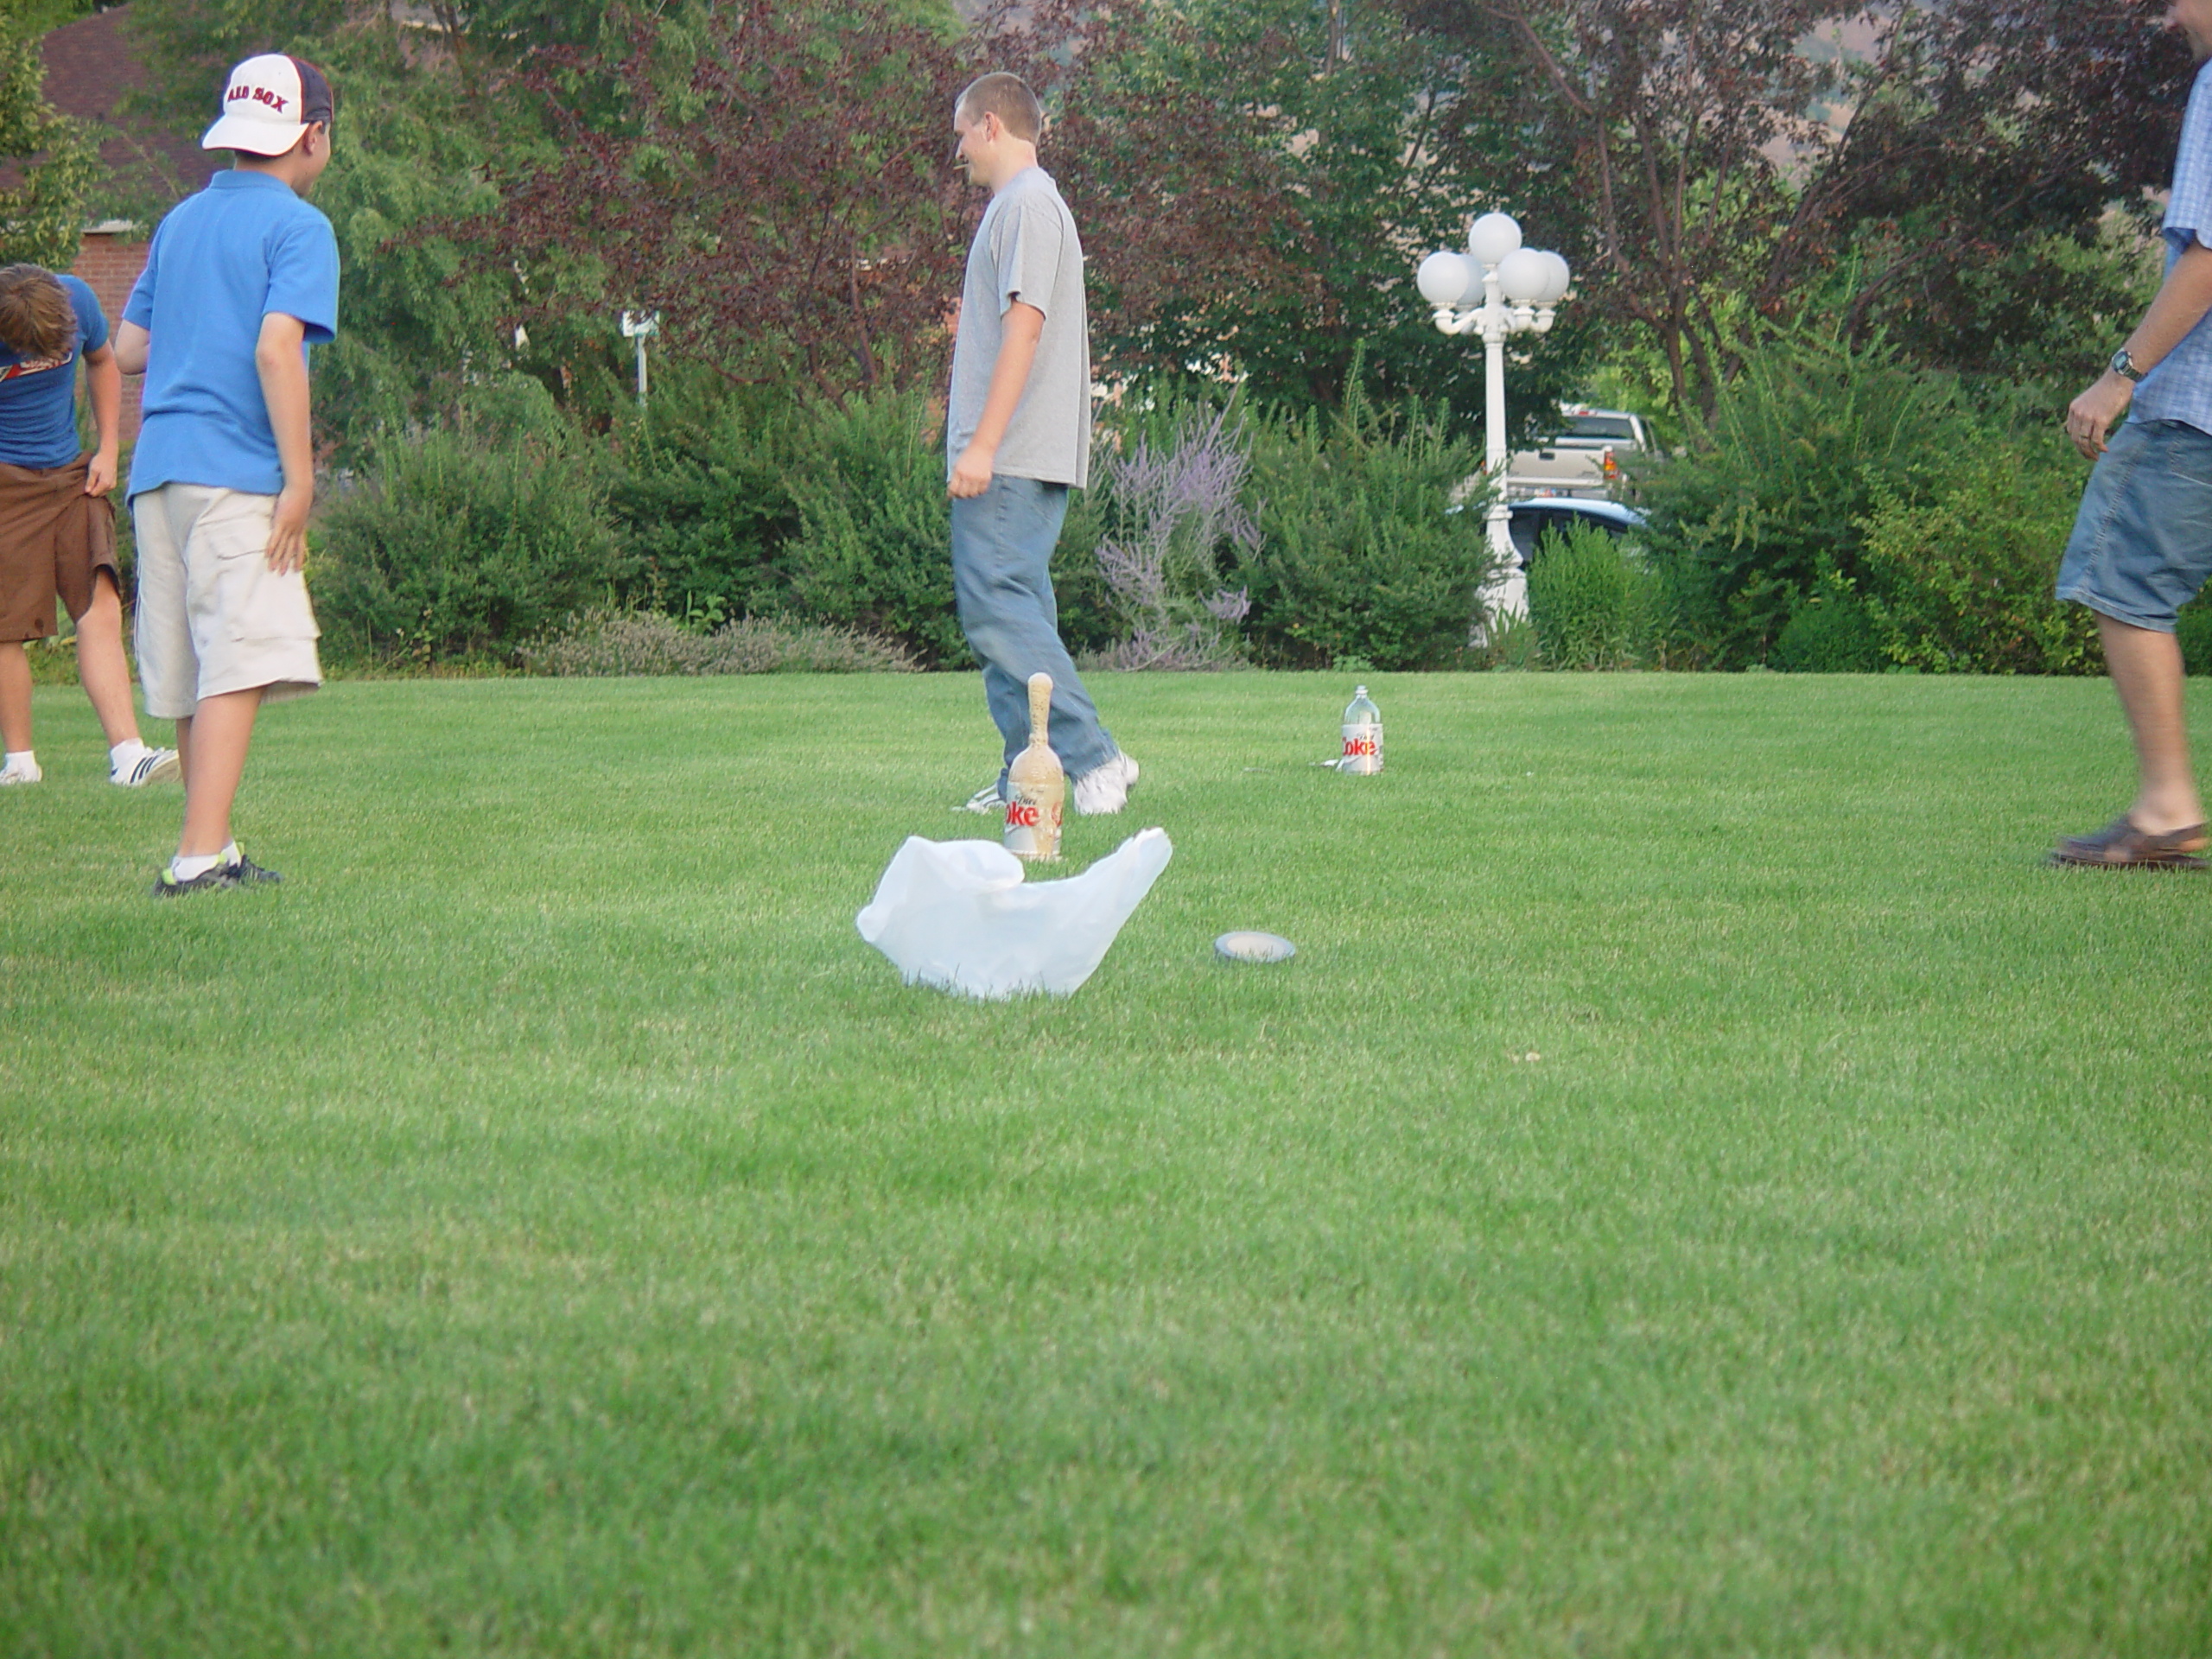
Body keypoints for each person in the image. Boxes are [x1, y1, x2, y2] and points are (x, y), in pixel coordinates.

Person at [111, 54, 339, 896]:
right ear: (312, 135)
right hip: (235, 475)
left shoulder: (180, 220)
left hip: (158, 474)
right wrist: (300, 480)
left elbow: (131, 348)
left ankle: (214, 842)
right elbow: (278, 348)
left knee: (193, 664)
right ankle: (197, 858)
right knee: (239, 661)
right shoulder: (300, 228)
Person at [947, 72, 1139, 817]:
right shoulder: (1026, 206)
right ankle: (1027, 776)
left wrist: (981, 446)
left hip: (1013, 454)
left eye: (963, 132)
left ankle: (1092, 760)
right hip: (1021, 452)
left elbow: (1024, 327)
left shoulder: (1026, 205)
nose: (958, 149)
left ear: (992, 125)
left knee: (998, 607)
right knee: (1009, 613)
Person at [2054, 0, 2212, 869]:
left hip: (2199, 410)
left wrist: (2121, 376)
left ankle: (2165, 806)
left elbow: (2208, 258)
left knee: (2122, 581)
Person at [0, 264, 179, 788]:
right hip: (5, 485)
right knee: (6, 628)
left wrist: (106, 446)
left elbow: (102, 361)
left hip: (72, 479)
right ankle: (20, 763)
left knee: (100, 605)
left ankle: (129, 757)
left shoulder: (76, 299)